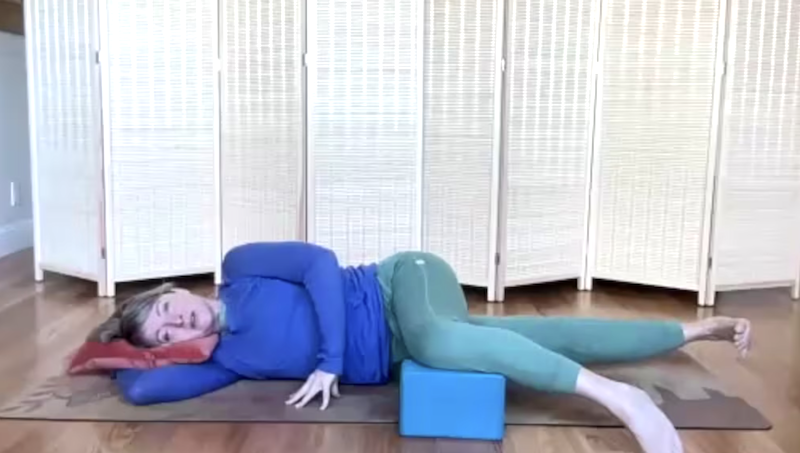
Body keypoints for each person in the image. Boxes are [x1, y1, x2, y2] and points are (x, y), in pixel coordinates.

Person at [90, 241, 751, 453]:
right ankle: (691, 330)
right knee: (525, 336)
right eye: (166, 334)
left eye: (167, 309)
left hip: (402, 283)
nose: (178, 323)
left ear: (175, 288)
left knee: (438, 336)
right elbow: (145, 389)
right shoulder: (225, 359)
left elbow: (322, 263)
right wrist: (119, 352)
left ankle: (617, 396)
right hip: (410, 348)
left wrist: (328, 360)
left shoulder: (241, 268)